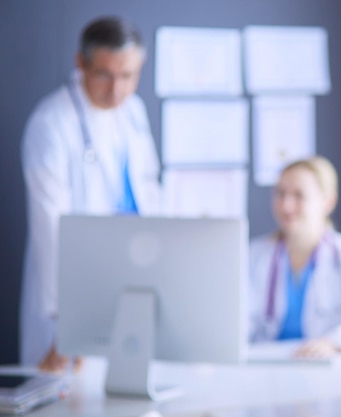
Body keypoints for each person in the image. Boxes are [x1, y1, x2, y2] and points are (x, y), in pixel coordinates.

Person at [20, 16, 161, 372]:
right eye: (104, 75)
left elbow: (149, 189)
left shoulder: (134, 112)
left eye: (128, 76)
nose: (117, 90)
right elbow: (50, 228)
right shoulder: (51, 124)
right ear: (80, 63)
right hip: (74, 287)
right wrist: (66, 321)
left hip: (130, 277)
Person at [248, 156, 341, 359]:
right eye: (280, 194)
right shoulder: (254, 255)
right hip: (265, 365)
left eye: (299, 195)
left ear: (328, 202)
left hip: (325, 369)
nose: (286, 206)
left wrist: (335, 341)